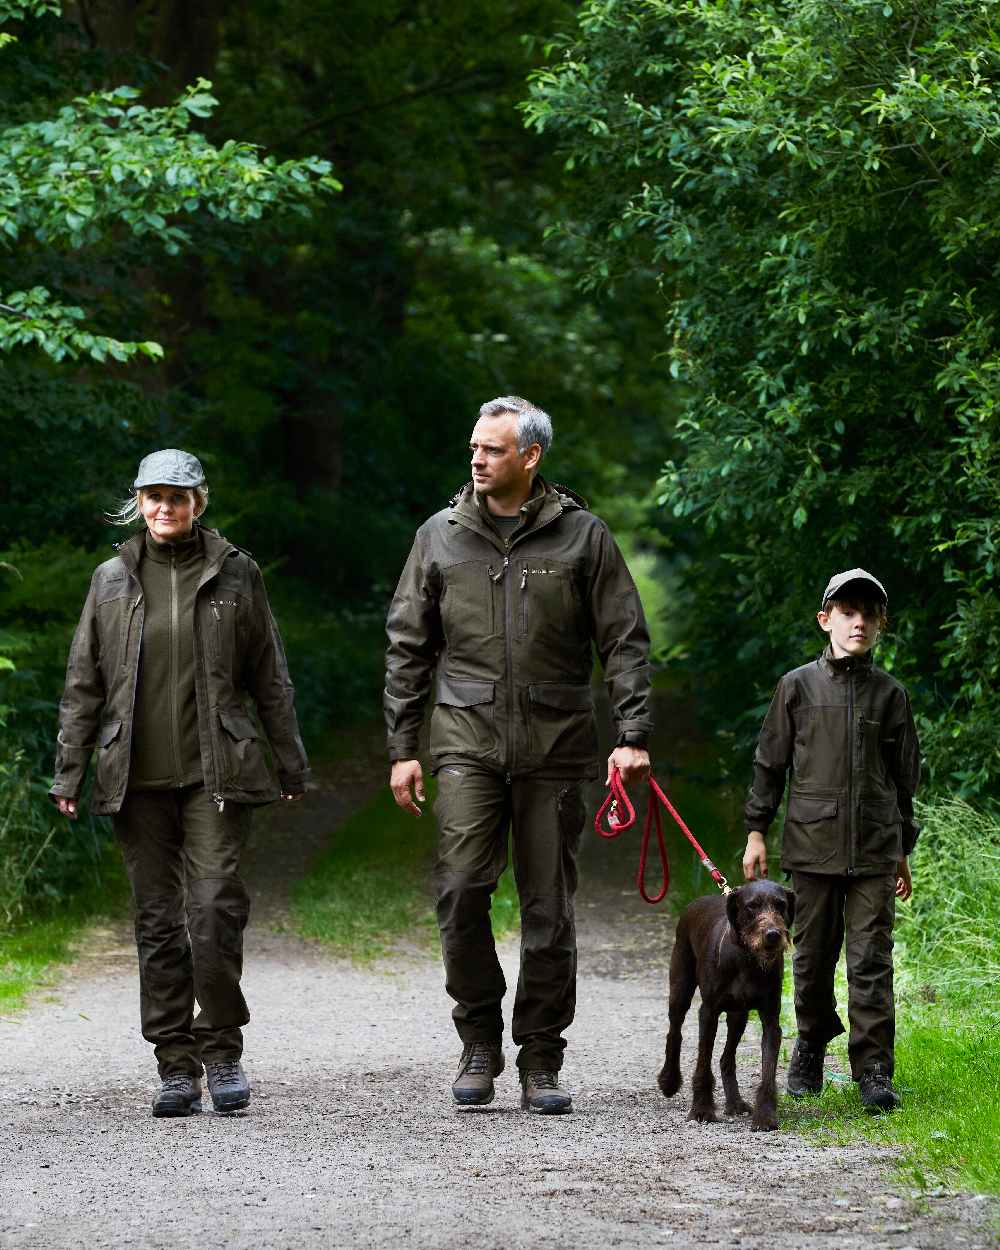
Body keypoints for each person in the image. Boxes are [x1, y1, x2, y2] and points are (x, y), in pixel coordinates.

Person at [385, 396, 652, 1115]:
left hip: (557, 746)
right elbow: (408, 648)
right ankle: (478, 1038)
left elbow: (624, 640)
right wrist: (403, 749)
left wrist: (632, 736)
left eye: (493, 449)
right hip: (465, 742)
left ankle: (541, 1056)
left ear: (530, 457)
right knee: (463, 890)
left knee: (549, 907)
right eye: (474, 447)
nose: (477, 459)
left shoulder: (583, 538)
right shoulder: (438, 537)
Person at [51, 449, 309, 1118]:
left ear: (200, 502)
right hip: (133, 781)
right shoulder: (111, 580)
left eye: (177, 495)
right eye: (152, 495)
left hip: (214, 774)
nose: (164, 506)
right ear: (137, 501)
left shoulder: (235, 575)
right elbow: (85, 681)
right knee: (158, 923)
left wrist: (289, 760)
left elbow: (269, 676)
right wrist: (70, 767)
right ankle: (174, 1064)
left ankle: (221, 1050)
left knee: (216, 908)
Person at [742, 568, 920, 1113]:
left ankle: (873, 1070)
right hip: (810, 846)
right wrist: (756, 830)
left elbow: (905, 779)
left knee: (871, 960)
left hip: (873, 850)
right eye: (846, 612)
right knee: (811, 959)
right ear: (826, 620)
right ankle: (812, 1045)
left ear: (881, 624)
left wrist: (902, 849)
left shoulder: (891, 695)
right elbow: (769, 763)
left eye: (868, 614)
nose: (857, 622)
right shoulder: (796, 686)